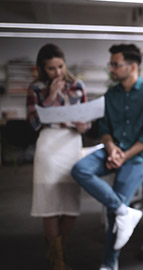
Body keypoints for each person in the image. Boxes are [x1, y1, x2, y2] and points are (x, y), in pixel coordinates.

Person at [71, 44, 143, 270]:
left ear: (132, 66)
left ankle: (109, 263)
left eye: (116, 64)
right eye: (111, 64)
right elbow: (104, 129)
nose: (111, 69)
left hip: (140, 156)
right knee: (80, 169)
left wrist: (123, 156)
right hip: (113, 149)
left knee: (114, 207)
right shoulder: (111, 95)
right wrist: (111, 147)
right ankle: (125, 212)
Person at [28, 43, 90, 270]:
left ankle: (55, 251)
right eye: (51, 69)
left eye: (60, 66)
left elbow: (86, 118)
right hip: (48, 144)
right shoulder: (36, 88)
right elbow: (34, 122)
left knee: (70, 206)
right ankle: (58, 260)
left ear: (65, 63)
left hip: (72, 143)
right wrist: (51, 96)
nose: (57, 72)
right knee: (50, 205)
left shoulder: (77, 85)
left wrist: (85, 125)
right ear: (43, 69)